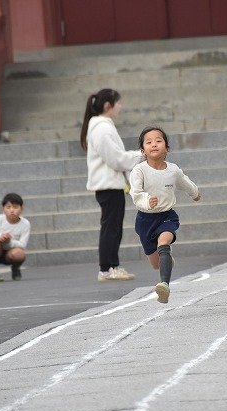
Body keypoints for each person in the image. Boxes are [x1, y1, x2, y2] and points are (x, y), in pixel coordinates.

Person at [129, 126, 200, 304]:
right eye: (149, 142)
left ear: (167, 148)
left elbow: (185, 183)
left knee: (164, 240)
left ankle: (164, 286)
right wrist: (147, 201)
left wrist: (195, 193)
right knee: (156, 264)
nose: (154, 144)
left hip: (166, 217)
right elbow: (135, 194)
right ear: (143, 150)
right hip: (145, 220)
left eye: (158, 141)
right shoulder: (139, 170)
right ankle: (165, 257)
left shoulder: (173, 170)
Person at [81, 88, 143, 282]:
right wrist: (141, 155)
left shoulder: (102, 126)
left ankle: (111, 267)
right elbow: (116, 159)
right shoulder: (102, 128)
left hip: (110, 185)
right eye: (118, 103)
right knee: (111, 228)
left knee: (112, 227)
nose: (120, 106)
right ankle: (107, 268)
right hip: (108, 186)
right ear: (108, 105)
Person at [0, 193, 31, 282]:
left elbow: (22, 244)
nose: (12, 210)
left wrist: (9, 241)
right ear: (3, 209)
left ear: (21, 209)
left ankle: (16, 268)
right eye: (8, 207)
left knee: (20, 254)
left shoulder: (25, 224)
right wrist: (0, 236)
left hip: (10, 252)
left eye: (15, 207)